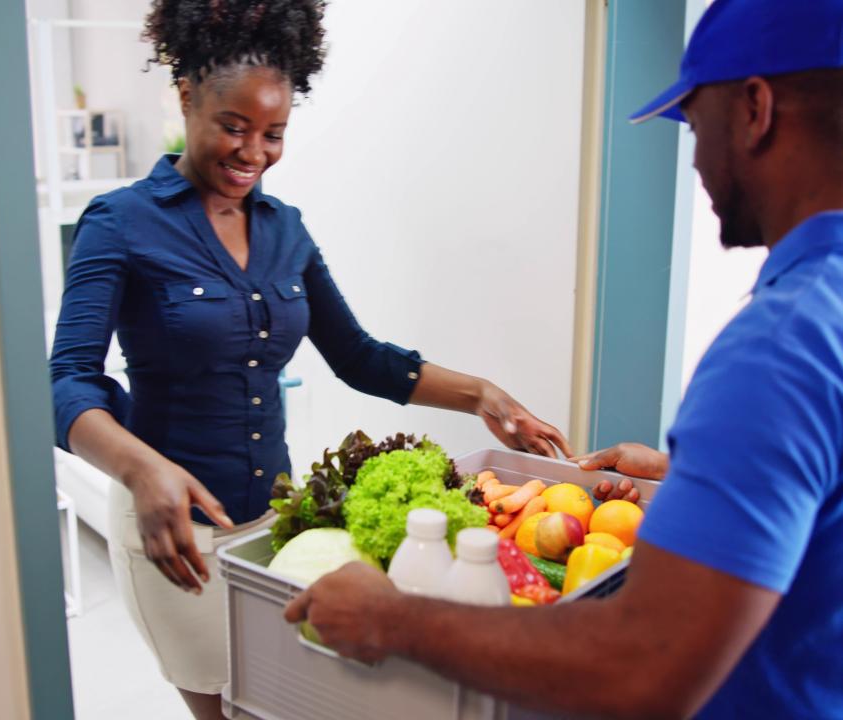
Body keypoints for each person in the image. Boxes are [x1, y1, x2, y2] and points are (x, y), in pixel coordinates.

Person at [285, 0, 843, 716]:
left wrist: (390, 619)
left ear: (755, 109)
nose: (696, 159)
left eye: (695, 124)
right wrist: (694, 479)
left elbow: (638, 669)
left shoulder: (778, 345)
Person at [49, 1, 571, 717]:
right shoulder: (121, 223)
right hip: (176, 534)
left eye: (274, 134)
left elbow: (359, 357)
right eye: (233, 127)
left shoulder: (285, 230)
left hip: (274, 528)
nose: (253, 153)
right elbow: (66, 382)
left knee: (282, 702)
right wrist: (144, 470)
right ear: (186, 97)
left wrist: (484, 395)